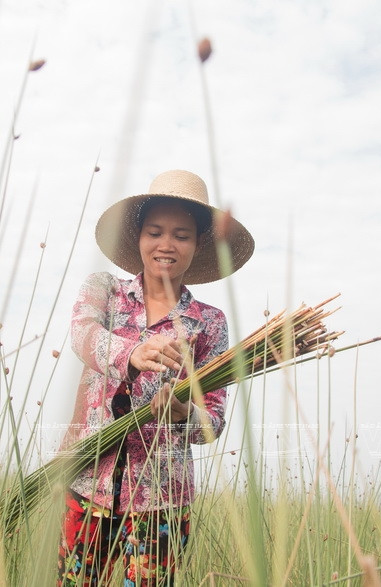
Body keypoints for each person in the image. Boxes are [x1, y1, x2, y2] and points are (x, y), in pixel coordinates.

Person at [57, 170, 255, 586]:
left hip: (163, 499)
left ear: (197, 244)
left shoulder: (209, 323)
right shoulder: (104, 291)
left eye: (182, 235)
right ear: (140, 238)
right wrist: (132, 353)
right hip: (90, 482)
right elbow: (82, 335)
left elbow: (214, 421)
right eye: (156, 232)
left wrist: (184, 413)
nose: (167, 245)